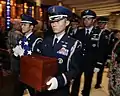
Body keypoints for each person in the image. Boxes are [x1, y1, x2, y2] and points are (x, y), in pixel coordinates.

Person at [36, 5, 82, 96]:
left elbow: (74, 70)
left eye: (58, 21)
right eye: (52, 21)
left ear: (67, 22)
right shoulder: (46, 40)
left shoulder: (73, 44)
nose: (54, 24)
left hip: (60, 90)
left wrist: (59, 81)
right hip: (42, 87)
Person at [71, 9, 102, 96]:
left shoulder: (98, 33)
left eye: (88, 19)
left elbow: (101, 50)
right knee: (76, 80)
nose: (86, 21)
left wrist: (98, 64)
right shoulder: (79, 32)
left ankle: (85, 94)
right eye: (84, 19)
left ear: (93, 20)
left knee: (88, 81)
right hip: (79, 62)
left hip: (90, 62)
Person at [12, 14, 42, 96]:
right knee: (17, 91)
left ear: (31, 27)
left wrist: (25, 57)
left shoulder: (36, 40)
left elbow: (38, 58)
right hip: (21, 72)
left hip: (31, 74)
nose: (22, 27)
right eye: (22, 24)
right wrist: (15, 54)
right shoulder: (22, 39)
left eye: (25, 25)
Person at [95, 16, 110, 88]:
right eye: (99, 23)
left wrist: (108, 57)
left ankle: (98, 83)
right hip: (94, 53)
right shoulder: (95, 31)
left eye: (102, 23)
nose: (101, 25)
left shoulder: (108, 33)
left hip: (102, 55)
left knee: (100, 70)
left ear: (105, 24)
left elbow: (109, 46)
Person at [108, 30, 120, 96]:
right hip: (114, 65)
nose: (117, 35)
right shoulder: (116, 41)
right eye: (117, 34)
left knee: (117, 83)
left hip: (118, 66)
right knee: (112, 82)